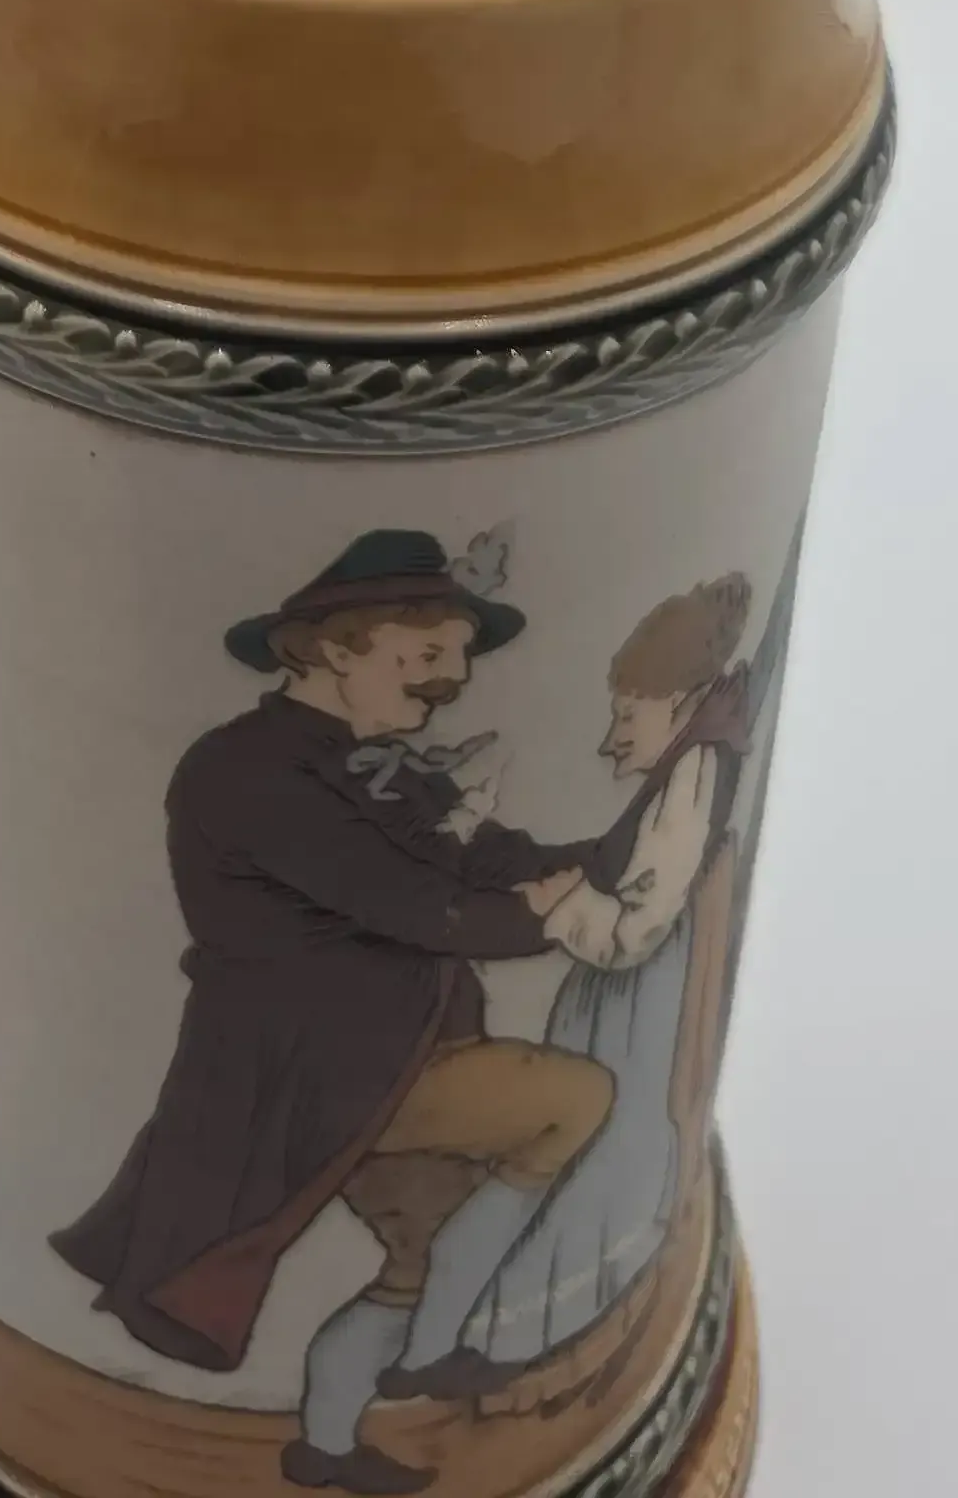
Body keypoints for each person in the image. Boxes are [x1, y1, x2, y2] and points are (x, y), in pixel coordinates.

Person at [49, 531, 609, 1497]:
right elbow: (417, 905)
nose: (450, 681)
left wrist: (615, 855)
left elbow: (482, 855)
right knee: (576, 1098)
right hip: (318, 1075)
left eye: (457, 659)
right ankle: (427, 1350)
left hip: (393, 1054)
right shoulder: (246, 770)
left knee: (419, 1253)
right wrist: (551, 915)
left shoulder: (373, 766)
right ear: (336, 646)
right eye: (425, 653)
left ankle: (327, 1447)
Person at [374, 574, 754, 1405]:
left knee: (598, 1153)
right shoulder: (690, 766)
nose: (612, 743)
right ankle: (492, 1335)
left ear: (680, 703)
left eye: (627, 717)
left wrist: (558, 907)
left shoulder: (692, 775)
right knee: (580, 1154)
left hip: (633, 1006)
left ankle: (520, 1335)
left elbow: (635, 930)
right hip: (621, 1004)